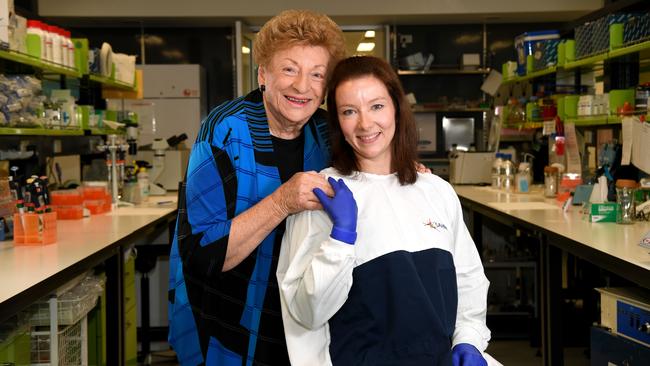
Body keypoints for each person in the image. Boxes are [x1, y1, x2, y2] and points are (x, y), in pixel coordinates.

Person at [277, 56, 491, 366]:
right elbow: (306, 313)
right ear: (337, 122)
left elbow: (468, 279)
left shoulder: (436, 191)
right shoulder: (322, 195)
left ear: (396, 109)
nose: (365, 124)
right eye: (350, 111)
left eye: (376, 106)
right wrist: (341, 237)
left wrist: (469, 339)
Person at [167, 10, 346, 365]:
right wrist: (281, 202)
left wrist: (402, 168)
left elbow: (373, 163)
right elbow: (204, 253)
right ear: (263, 74)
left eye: (316, 75)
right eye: (289, 69)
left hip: (305, 318)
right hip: (230, 318)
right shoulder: (224, 130)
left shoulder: (327, 132)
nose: (301, 86)